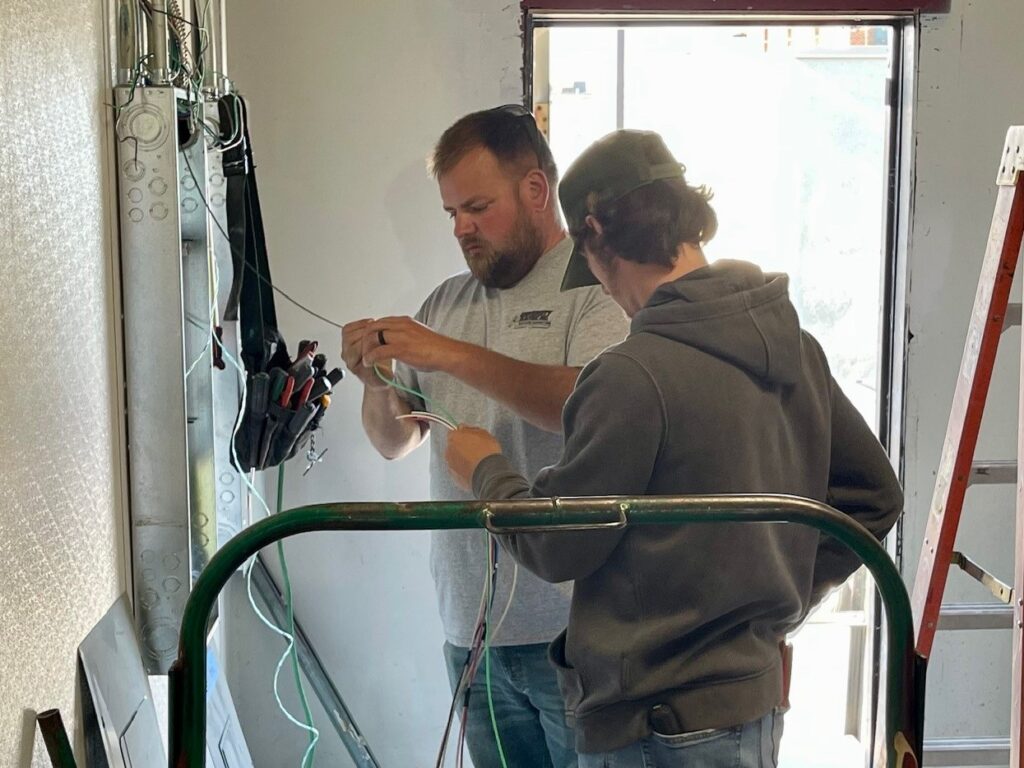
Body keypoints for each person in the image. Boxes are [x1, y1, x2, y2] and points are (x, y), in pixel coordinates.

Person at [444, 128, 903, 768]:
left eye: (592, 266)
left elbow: (557, 542)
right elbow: (873, 497)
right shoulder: (794, 344)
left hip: (654, 726)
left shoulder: (632, 375)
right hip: (752, 704)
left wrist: (486, 469)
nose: (602, 288)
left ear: (597, 233)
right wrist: (776, 597)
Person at [341, 106, 629, 768]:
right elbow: (395, 441)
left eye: (477, 206)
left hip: (572, 631)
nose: (462, 228)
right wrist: (375, 382)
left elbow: (586, 406)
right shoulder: (447, 303)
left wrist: (449, 355)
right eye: (451, 214)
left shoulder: (596, 288)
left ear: (534, 189)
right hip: (470, 634)